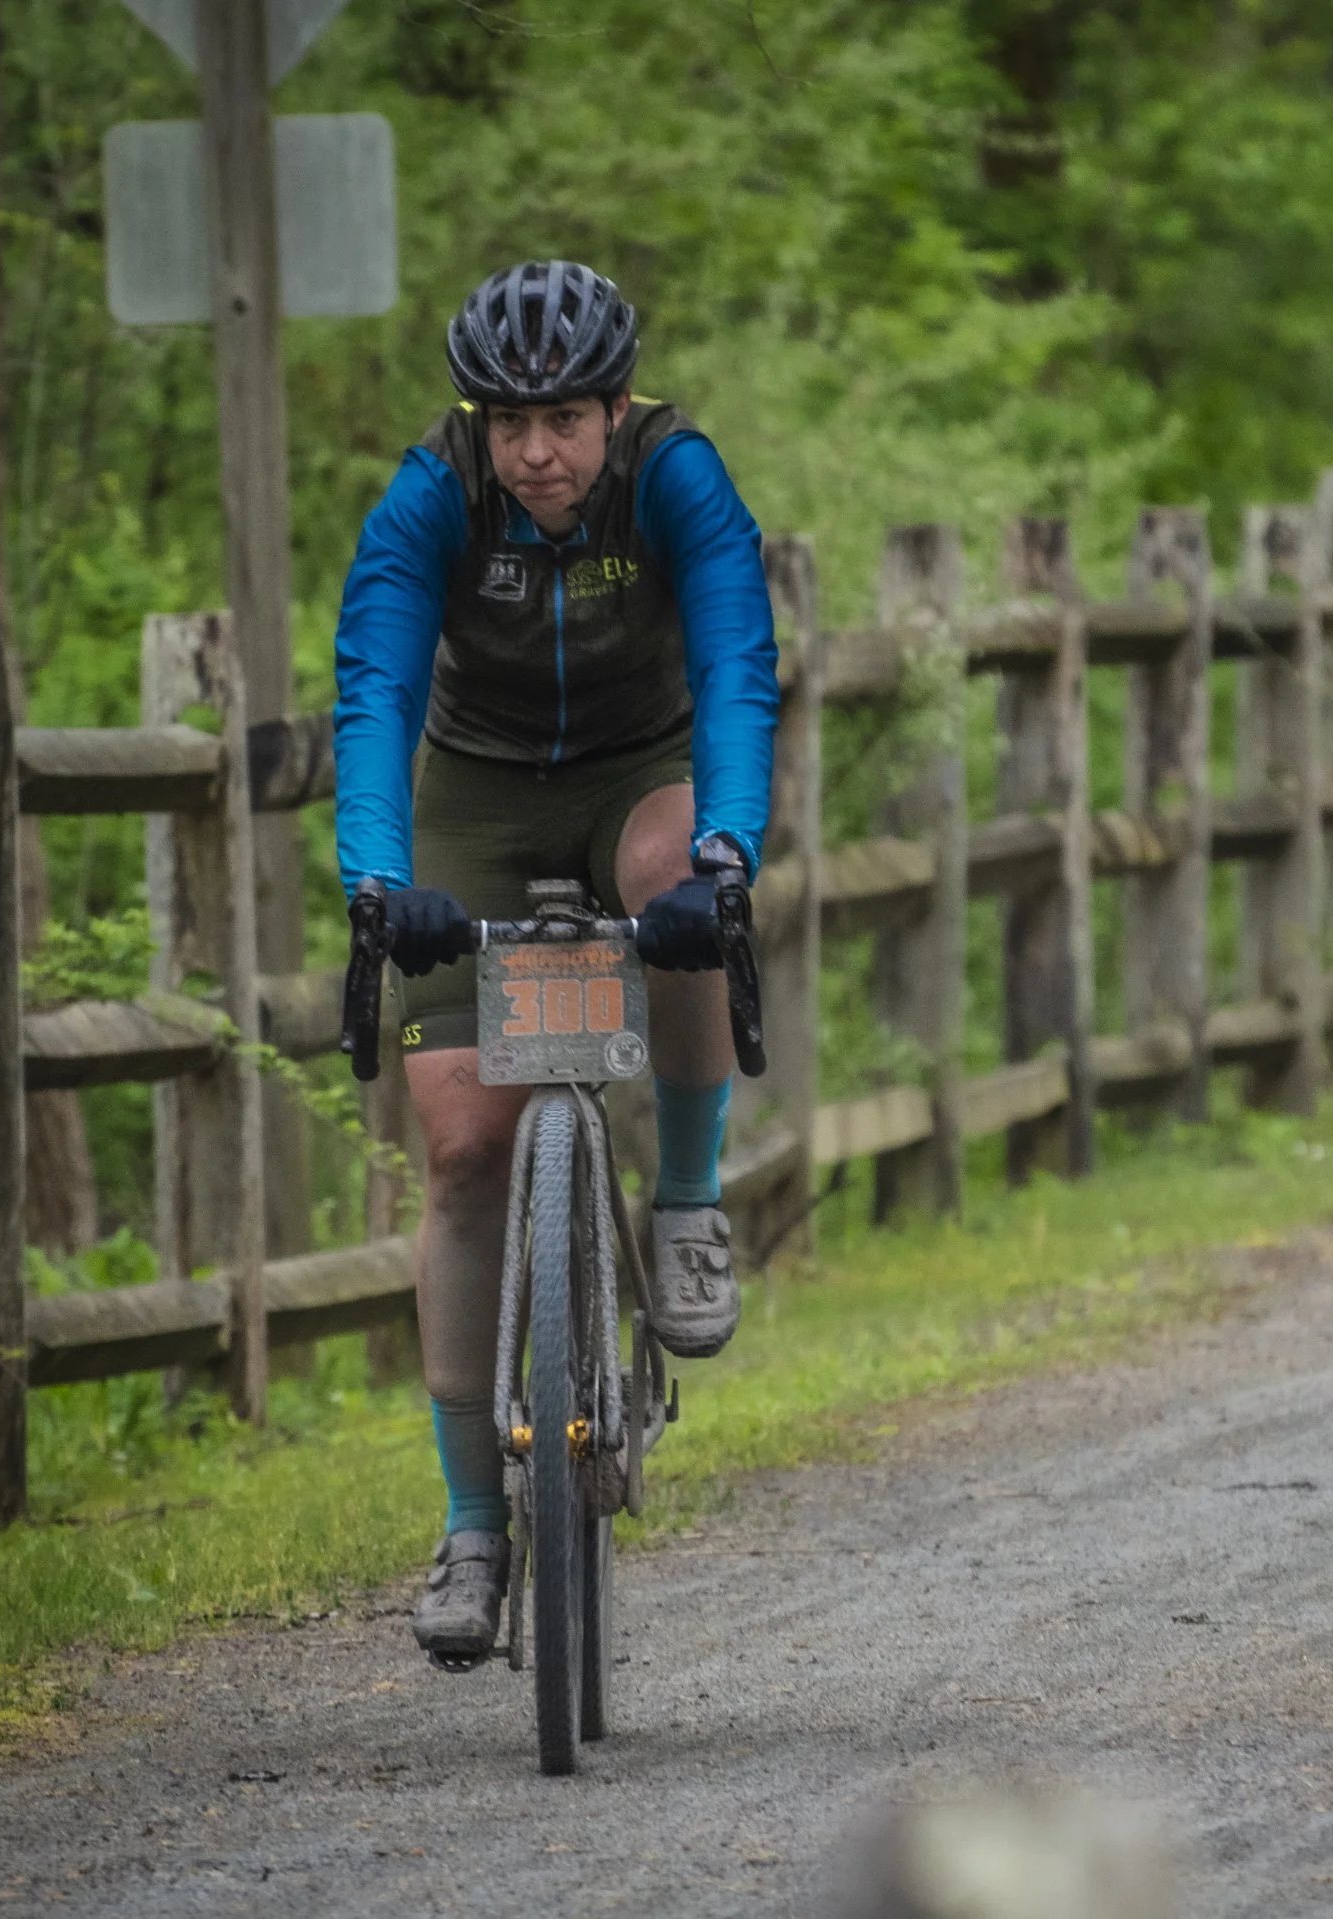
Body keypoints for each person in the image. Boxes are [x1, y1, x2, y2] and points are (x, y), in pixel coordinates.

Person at [331, 261, 778, 1662]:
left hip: (641, 774)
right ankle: (474, 1527)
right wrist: (378, 876)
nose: (537, 452)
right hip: (479, 784)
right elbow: (377, 686)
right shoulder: (433, 495)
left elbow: (739, 665)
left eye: (567, 420)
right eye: (511, 421)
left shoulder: (676, 478)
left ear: (614, 405)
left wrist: (729, 848)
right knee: (464, 1147)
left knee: (676, 885)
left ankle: (689, 1198)